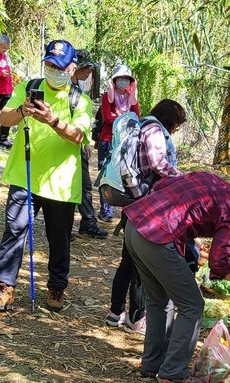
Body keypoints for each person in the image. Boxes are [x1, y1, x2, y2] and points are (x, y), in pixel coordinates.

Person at [124, 173, 230, 383]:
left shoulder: (215, 182)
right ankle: (174, 372)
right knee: (193, 305)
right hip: (157, 237)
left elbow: (163, 184)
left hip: (136, 225)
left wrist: (187, 227)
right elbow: (219, 261)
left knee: (159, 301)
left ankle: (152, 365)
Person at [0, 40, 92, 313]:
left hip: (61, 183)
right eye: (48, 64)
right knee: (15, 231)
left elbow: (79, 136)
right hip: (25, 175)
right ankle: (5, 286)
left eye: (58, 66)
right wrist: (23, 111)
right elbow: (4, 119)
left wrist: (53, 121)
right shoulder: (29, 87)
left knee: (60, 238)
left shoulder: (80, 100)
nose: (52, 69)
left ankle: (57, 285)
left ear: (71, 69)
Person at [106, 98, 187, 335]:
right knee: (141, 264)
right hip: (146, 204)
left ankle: (115, 312)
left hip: (137, 200)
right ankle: (136, 317)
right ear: (171, 120)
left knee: (128, 260)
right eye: (177, 125)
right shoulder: (154, 129)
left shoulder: (144, 125)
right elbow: (157, 163)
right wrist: (182, 179)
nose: (176, 129)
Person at [71, 49, 107, 240]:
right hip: (67, 148)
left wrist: (85, 142)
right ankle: (77, 225)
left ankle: (88, 223)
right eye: (88, 68)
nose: (89, 73)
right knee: (76, 186)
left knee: (84, 185)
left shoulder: (78, 90)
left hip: (78, 146)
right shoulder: (67, 89)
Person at [97, 64, 140, 222]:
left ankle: (126, 212)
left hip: (127, 142)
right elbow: (107, 118)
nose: (123, 81)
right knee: (106, 174)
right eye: (120, 78)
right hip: (108, 140)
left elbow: (136, 119)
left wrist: (119, 116)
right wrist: (124, 117)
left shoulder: (132, 98)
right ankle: (105, 209)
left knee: (127, 174)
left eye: (126, 79)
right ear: (114, 80)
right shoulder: (108, 96)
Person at [0, 34, 14, 151]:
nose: (5, 50)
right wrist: (0, 74)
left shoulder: (5, 55)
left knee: (8, 114)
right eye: (4, 48)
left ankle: (3, 138)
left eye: (7, 48)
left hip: (6, 89)